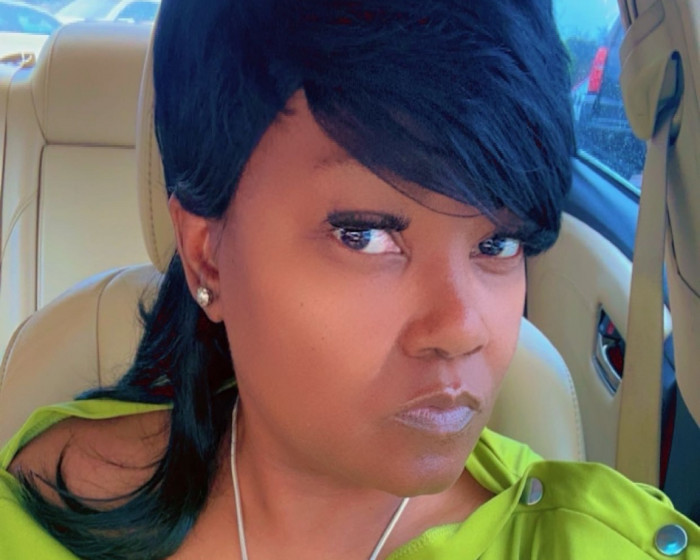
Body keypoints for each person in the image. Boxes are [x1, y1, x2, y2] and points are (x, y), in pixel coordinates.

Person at [0, 0, 698, 558]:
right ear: (207, 256)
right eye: (364, 235)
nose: (462, 329)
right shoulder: (42, 514)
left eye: (498, 243)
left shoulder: (595, 543)